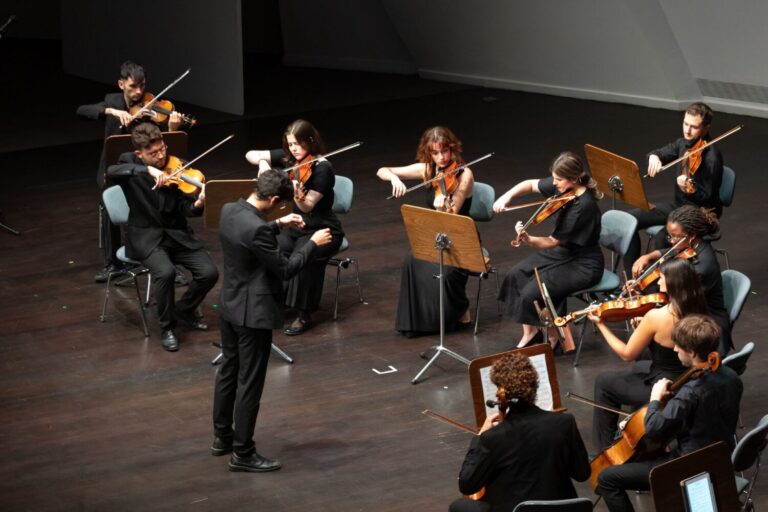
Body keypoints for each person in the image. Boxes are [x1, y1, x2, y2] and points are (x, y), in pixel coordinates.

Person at [211, 169, 332, 472]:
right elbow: (287, 269)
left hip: (229, 305)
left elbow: (248, 233)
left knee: (228, 371)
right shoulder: (258, 230)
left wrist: (277, 222)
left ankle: (222, 437)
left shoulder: (229, 209)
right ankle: (243, 452)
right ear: (275, 198)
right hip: (253, 314)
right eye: (280, 207)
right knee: (249, 383)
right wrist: (311, 244)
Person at [596, 314, 742, 512]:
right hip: (720, 458)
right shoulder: (732, 377)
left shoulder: (691, 392)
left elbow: (654, 428)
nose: (674, 349)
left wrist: (655, 399)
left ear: (691, 352)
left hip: (687, 466)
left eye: (678, 347)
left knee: (606, 478)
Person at [107, 122, 218, 351]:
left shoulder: (179, 167)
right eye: (153, 154)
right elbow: (111, 172)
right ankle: (168, 327)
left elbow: (186, 209)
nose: (160, 157)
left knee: (209, 273)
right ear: (140, 154)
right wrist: (147, 169)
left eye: (162, 150)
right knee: (165, 272)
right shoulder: (129, 162)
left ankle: (184, 310)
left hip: (177, 234)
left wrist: (198, 203)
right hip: (145, 236)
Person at [78, 61, 184, 283]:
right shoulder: (112, 100)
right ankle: (113, 265)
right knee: (108, 206)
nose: (138, 92)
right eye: (133, 86)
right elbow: (82, 110)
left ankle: (170, 262)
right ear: (121, 84)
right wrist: (111, 112)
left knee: (168, 202)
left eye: (142, 86)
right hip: (117, 169)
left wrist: (172, 128)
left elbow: (165, 148)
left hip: (147, 171)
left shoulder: (152, 108)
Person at [589, 258, 709, 451]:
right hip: (688, 380)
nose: (658, 283)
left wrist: (601, 325)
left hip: (664, 388)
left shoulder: (658, 316)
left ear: (672, 283)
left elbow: (627, 354)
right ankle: (638, 433)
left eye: (661, 278)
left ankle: (604, 451)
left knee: (603, 383)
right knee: (640, 366)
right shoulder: (699, 306)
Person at [449, 353, 590, 512]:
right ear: (535, 386)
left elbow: (467, 485)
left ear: (501, 394)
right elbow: (582, 474)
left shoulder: (491, 439)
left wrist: (479, 437)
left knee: (459, 506)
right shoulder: (564, 423)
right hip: (564, 510)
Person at [493, 152, 603, 351]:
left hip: (584, 263)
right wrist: (506, 196)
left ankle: (554, 337)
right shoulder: (562, 186)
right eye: (553, 178)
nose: (553, 184)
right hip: (564, 253)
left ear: (573, 178)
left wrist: (528, 239)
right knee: (515, 275)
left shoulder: (582, 207)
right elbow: (530, 184)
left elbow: (552, 242)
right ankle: (531, 333)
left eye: (558, 180)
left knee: (532, 292)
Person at [244, 119, 344, 335]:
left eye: (298, 144)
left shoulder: (323, 169)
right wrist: (262, 162)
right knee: (271, 247)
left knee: (304, 255)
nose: (294, 149)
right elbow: (250, 154)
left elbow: (307, 207)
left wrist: (297, 193)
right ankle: (278, 300)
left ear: (310, 141)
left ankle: (304, 313)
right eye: (290, 144)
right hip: (296, 224)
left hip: (323, 226)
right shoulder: (290, 157)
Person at [376, 126, 475, 336]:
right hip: (435, 235)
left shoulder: (464, 174)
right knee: (412, 259)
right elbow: (382, 170)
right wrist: (395, 179)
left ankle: (459, 309)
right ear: (428, 152)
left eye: (445, 151)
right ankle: (422, 322)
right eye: (435, 153)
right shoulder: (427, 170)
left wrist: (442, 206)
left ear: (452, 149)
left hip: (459, 237)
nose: (441, 157)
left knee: (446, 273)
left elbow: (452, 213)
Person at [623, 102, 724, 275]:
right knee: (629, 219)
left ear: (706, 128)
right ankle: (632, 277)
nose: (687, 130)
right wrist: (654, 157)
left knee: (663, 237)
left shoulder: (711, 159)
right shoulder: (683, 144)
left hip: (697, 214)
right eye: (685, 124)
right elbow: (660, 152)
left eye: (694, 127)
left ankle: (665, 282)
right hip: (677, 207)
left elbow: (707, 196)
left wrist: (690, 188)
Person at [630, 204, 731, 356]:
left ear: (692, 235)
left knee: (650, 347)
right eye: (670, 235)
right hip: (688, 309)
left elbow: (677, 301)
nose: (671, 241)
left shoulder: (701, 267)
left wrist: (645, 310)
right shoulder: (689, 246)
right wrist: (648, 256)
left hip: (703, 322)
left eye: (676, 236)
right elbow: (671, 252)